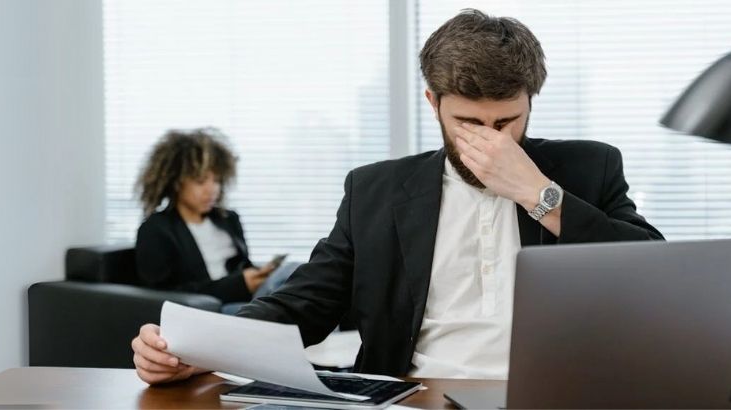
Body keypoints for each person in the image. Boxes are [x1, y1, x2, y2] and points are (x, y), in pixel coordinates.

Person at [131, 9, 663, 385]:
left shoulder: (589, 168)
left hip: (551, 396)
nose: (490, 140)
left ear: (531, 102)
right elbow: (305, 304)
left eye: (507, 122)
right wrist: (201, 350)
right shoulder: (375, 191)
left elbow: (653, 277)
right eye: (468, 123)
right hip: (414, 395)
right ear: (433, 104)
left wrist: (535, 192)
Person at [134, 128, 290, 312]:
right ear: (176, 182)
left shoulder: (228, 219)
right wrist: (239, 284)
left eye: (216, 180)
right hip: (215, 310)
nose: (212, 190)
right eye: (201, 181)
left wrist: (258, 274)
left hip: (249, 301)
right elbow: (165, 295)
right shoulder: (156, 230)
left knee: (294, 274)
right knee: (291, 281)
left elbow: (242, 266)